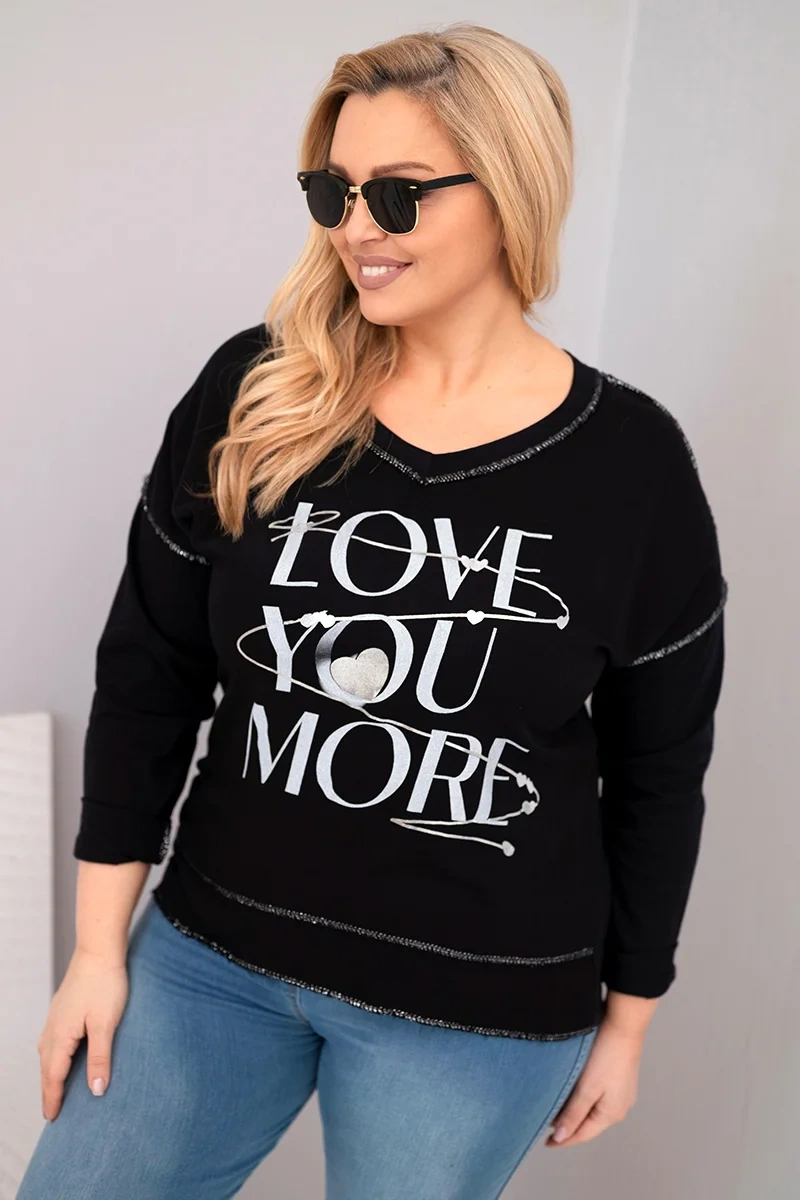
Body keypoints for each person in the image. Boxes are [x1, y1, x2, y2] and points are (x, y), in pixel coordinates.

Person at [18, 21, 727, 1200]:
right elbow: (149, 670)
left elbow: (657, 768)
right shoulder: (258, 391)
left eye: (396, 195)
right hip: (212, 959)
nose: (354, 228)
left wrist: (629, 1018)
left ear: (509, 190)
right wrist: (99, 950)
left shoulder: (631, 466)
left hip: (475, 1012)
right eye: (332, 191)